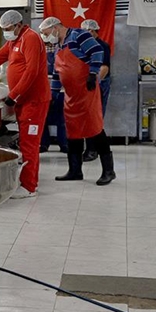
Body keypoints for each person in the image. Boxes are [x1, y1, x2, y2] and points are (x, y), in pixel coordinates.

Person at [0, 10, 50, 199]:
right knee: (25, 142)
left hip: (34, 101)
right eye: (4, 29)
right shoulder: (15, 41)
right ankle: (26, 182)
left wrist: (13, 95)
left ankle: (30, 187)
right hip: (24, 100)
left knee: (29, 144)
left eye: (8, 29)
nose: (6, 32)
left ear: (18, 25)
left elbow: (31, 72)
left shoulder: (30, 38)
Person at [39, 17, 116, 186]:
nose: (46, 37)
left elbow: (97, 51)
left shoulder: (78, 35)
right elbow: (58, 73)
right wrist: (53, 94)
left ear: (56, 27)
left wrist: (92, 73)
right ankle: (75, 170)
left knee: (94, 128)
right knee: (72, 131)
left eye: (46, 34)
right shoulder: (59, 46)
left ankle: (109, 171)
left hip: (87, 91)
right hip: (71, 95)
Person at [79, 19, 112, 162]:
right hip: (88, 84)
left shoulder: (101, 46)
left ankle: (93, 150)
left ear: (93, 31)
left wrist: (95, 82)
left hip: (98, 84)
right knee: (87, 117)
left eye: (86, 32)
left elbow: (104, 67)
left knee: (94, 117)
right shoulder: (86, 45)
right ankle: (91, 149)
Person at [40, 42, 69, 154]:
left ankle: (64, 143)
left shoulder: (62, 46)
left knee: (62, 118)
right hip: (43, 88)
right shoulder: (38, 46)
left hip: (60, 87)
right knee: (43, 118)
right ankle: (43, 143)